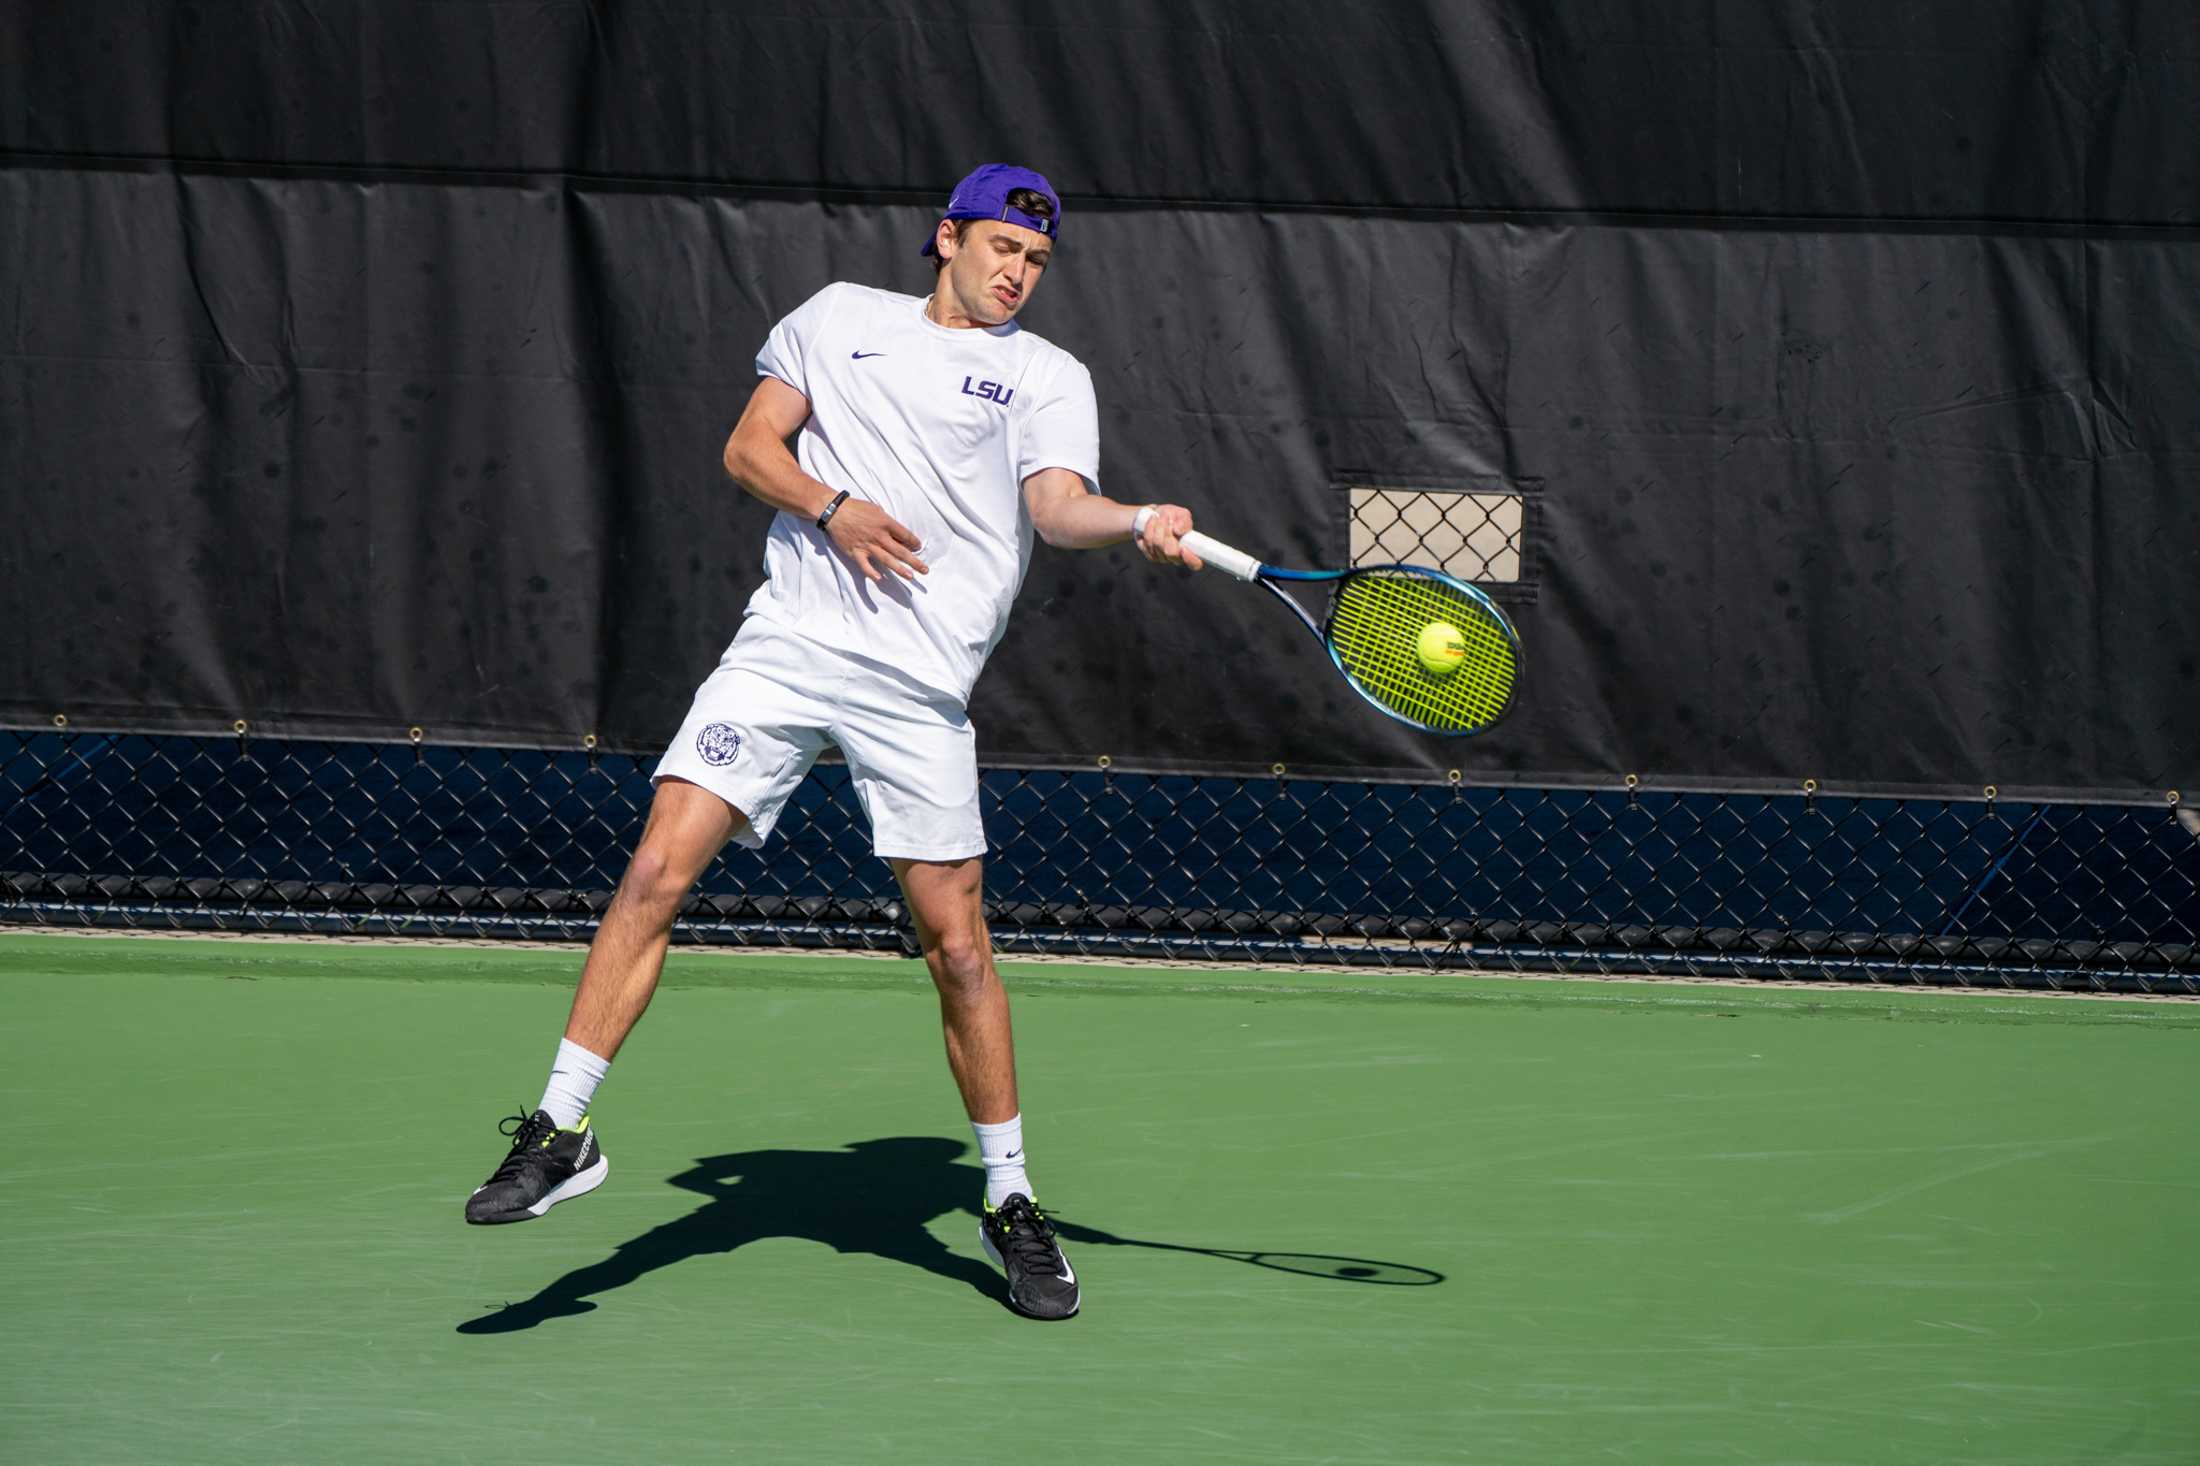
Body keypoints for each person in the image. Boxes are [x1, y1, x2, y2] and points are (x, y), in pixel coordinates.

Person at [463, 164, 1202, 1322]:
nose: (1018, 272)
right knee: (658, 864)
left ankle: (1008, 1196)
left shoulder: (1047, 375)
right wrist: (830, 505)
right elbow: (749, 450)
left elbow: (1058, 506)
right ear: (947, 237)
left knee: (955, 945)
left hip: (916, 685)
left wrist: (1135, 520)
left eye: (1037, 261)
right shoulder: (835, 319)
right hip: (788, 646)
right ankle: (563, 1128)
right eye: (1003, 246)